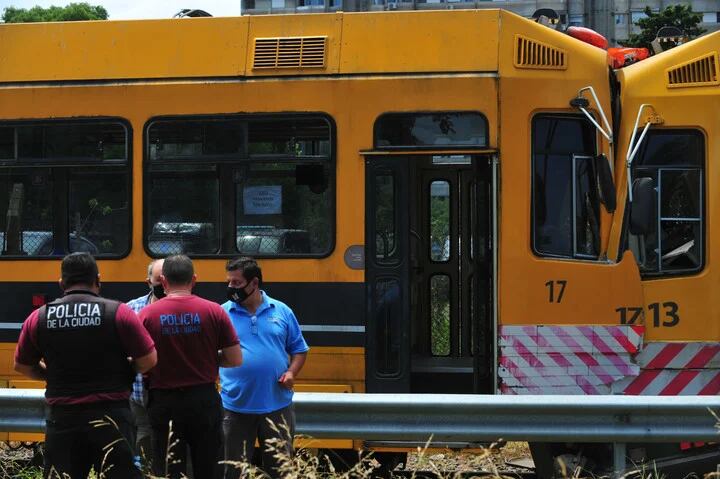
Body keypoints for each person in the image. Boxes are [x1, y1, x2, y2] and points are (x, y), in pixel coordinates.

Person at [14, 252, 157, 479]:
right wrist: (125, 372)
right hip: (112, 417)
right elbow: (148, 360)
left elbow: (22, 366)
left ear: (61, 283)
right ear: (98, 280)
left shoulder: (39, 317)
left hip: (63, 419)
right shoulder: (119, 313)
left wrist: (49, 375)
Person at [140, 254, 242, 479]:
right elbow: (235, 359)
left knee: (168, 469)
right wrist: (206, 358)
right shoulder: (214, 311)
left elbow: (140, 361)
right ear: (193, 279)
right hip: (203, 400)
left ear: (164, 281)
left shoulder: (146, 314)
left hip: (163, 401)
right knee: (209, 468)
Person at [220, 257, 309, 479]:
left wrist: (291, 372)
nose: (231, 288)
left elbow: (299, 349)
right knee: (232, 471)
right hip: (234, 407)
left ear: (254, 284)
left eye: (236, 283)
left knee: (281, 471)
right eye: (229, 282)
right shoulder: (222, 313)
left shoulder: (281, 311)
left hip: (277, 406)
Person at [126, 258, 165, 466]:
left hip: (176, 392)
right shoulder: (132, 309)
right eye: (159, 280)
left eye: (167, 279)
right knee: (144, 441)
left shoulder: (189, 307)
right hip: (141, 394)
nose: (163, 285)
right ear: (148, 282)